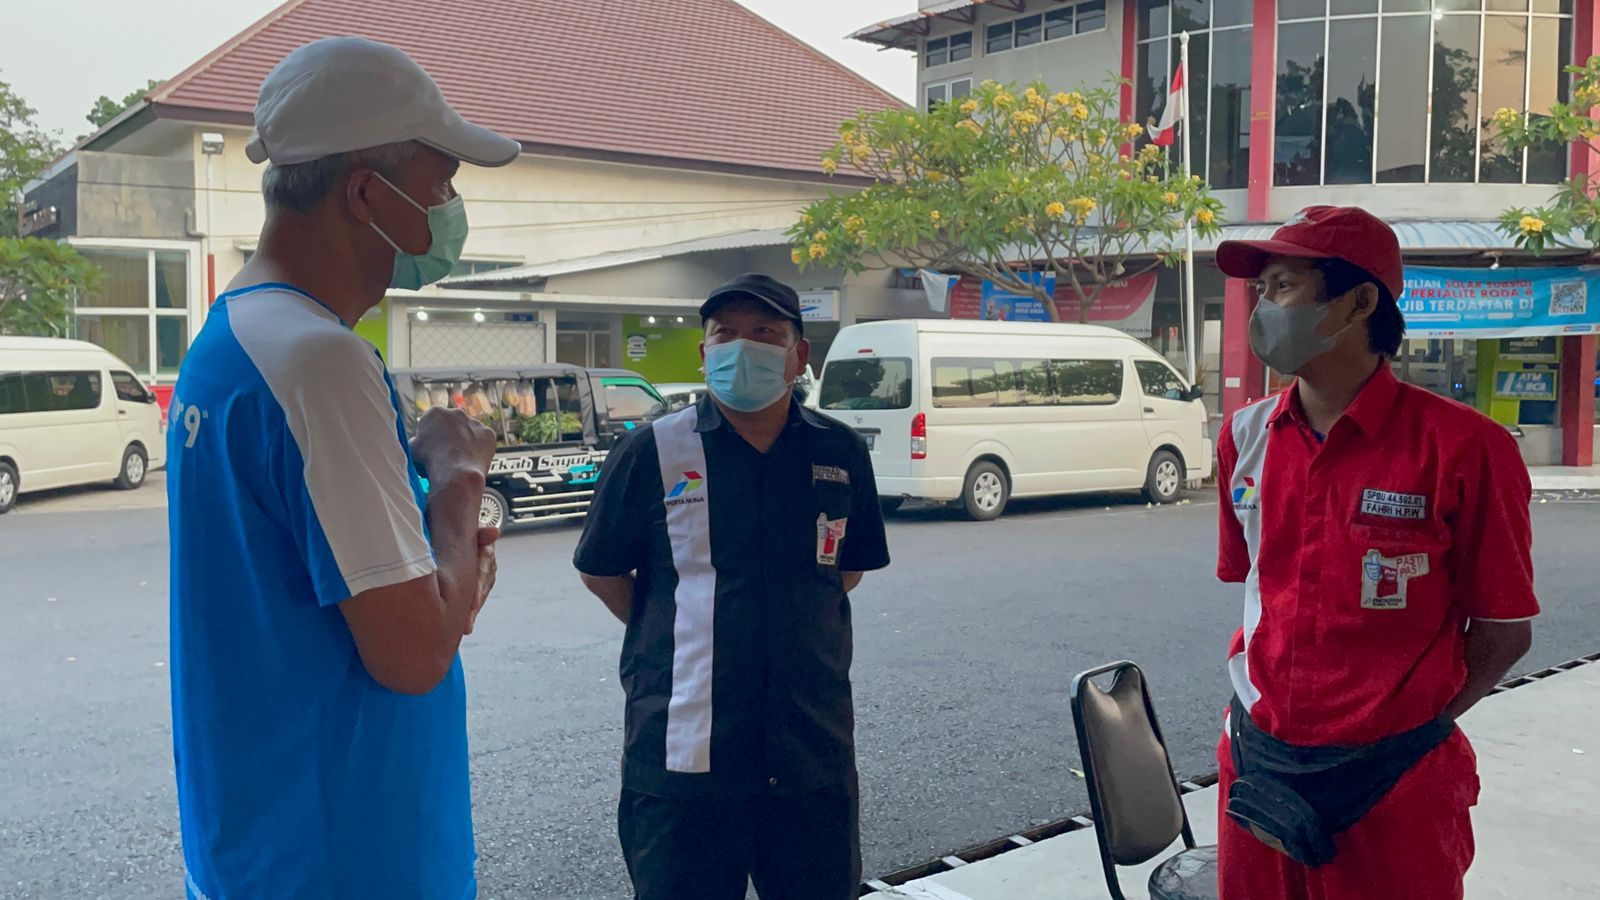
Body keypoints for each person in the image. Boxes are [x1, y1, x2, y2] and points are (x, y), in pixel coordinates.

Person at [165, 37, 520, 899]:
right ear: (366, 193)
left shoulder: (231, 340)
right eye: (440, 186)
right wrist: (460, 470)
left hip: (261, 838)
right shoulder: (320, 364)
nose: (448, 211)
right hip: (350, 853)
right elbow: (412, 653)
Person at [1210, 206, 1539, 899]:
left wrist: (1411, 728)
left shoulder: (1467, 450)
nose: (1262, 307)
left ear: (1360, 302)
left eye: (1283, 286)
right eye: (1261, 288)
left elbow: (1504, 631)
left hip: (1395, 785)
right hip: (1259, 765)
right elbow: (1257, 587)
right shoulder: (1243, 440)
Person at [573, 273, 891, 900]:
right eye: (725, 334)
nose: (742, 346)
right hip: (683, 762)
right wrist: (686, 627)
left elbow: (844, 569)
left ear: (799, 355)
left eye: (765, 332)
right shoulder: (651, 451)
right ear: (703, 353)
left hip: (810, 756)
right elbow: (601, 569)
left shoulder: (840, 450)